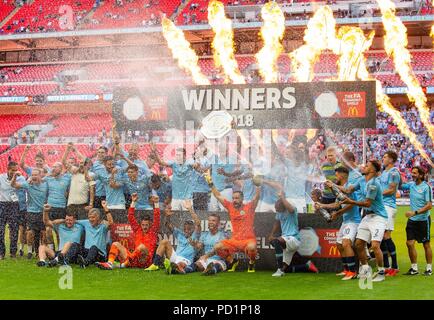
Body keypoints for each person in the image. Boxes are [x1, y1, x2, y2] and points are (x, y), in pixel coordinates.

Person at [204, 171, 261, 273]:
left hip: (248, 240)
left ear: (242, 199)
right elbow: (217, 195)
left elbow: (257, 197)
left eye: (237, 198)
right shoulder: (230, 206)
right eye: (233, 198)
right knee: (217, 247)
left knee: (252, 247)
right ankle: (233, 261)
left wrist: (258, 185)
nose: (234, 200)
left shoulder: (249, 207)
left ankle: (252, 263)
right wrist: (210, 183)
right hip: (234, 240)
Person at [342, 160, 388, 282]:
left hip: (378, 218)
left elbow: (367, 203)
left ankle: (381, 272)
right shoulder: (362, 180)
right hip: (367, 217)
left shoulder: (374, 184)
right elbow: (348, 190)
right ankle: (366, 269)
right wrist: (333, 185)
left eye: (367, 166)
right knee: (358, 244)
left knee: (375, 245)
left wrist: (351, 202)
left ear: (372, 170)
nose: (363, 167)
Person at [97, 193, 161, 270]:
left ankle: (126, 262)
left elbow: (157, 218)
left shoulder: (153, 231)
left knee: (141, 247)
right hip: (134, 259)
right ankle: (110, 263)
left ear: (150, 224)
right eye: (143, 225)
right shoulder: (137, 230)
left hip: (145, 261)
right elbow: (130, 216)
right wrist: (133, 202)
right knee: (115, 244)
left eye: (146, 225)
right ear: (140, 224)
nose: (144, 227)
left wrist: (156, 203)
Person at [319, 167, 360, 280]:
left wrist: (339, 213)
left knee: (346, 243)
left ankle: (352, 272)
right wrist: (321, 205)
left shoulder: (349, 186)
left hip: (353, 221)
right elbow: (336, 205)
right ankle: (346, 270)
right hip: (346, 221)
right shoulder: (339, 189)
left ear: (342, 175)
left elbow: (352, 204)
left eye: (336, 174)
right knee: (339, 245)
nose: (335, 177)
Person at [270, 189, 319, 277]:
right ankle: (307, 266)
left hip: (293, 239)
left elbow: (291, 210)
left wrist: (282, 197)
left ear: (283, 206)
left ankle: (279, 269)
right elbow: (276, 222)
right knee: (286, 269)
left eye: (278, 209)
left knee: (276, 241)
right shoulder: (279, 212)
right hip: (286, 241)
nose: (277, 211)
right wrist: (271, 234)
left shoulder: (291, 210)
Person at [145, 200, 201, 274]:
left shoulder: (195, 235)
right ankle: (155, 264)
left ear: (193, 229)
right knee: (164, 241)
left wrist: (190, 209)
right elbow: (168, 225)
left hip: (186, 260)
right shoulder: (180, 234)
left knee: (181, 264)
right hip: (175, 257)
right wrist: (167, 216)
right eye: (185, 229)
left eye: (189, 229)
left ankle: (173, 268)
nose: (186, 231)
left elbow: (198, 224)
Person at [401, 167, 432, 276]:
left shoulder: (426, 187)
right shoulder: (411, 185)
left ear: (421, 175)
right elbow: (400, 185)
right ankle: (414, 268)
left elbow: (429, 205)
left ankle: (429, 268)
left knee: (426, 244)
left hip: (423, 220)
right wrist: (395, 173)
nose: (412, 174)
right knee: (409, 243)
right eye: (412, 172)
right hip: (412, 220)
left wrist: (415, 212)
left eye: (414, 173)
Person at [11, 168, 48, 259]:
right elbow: (13, 185)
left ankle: (41, 251)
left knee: (43, 233)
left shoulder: (46, 184)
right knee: (30, 233)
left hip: (42, 212)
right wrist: (15, 176)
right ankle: (30, 251)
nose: (34, 176)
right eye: (33, 175)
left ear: (40, 175)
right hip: (31, 212)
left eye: (36, 175)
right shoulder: (28, 184)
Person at [150, 143, 198, 211]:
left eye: (179, 155)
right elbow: (161, 163)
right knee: (175, 219)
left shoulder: (189, 162)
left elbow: (195, 165)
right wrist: (155, 151)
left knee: (188, 219)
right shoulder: (174, 163)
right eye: (176, 155)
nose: (177, 157)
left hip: (187, 198)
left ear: (184, 155)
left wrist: (196, 165)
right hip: (175, 198)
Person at [380, 151, 401, 276]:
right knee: (382, 235)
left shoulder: (394, 172)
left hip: (388, 206)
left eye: (385, 157)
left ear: (392, 160)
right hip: (382, 206)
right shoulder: (384, 172)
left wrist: (378, 195)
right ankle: (387, 265)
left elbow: (392, 190)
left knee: (387, 235)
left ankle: (395, 266)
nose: (383, 158)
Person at [76, 201, 113, 268]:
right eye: (89, 217)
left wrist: (105, 208)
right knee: (75, 245)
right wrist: (62, 221)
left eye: (93, 217)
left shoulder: (103, 225)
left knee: (93, 247)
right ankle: (64, 261)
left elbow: (111, 223)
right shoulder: (86, 222)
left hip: (100, 254)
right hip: (88, 252)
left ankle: (85, 263)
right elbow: (72, 221)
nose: (90, 219)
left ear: (98, 217)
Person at [63, 144, 95, 220]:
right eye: (80, 163)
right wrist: (67, 150)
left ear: (88, 165)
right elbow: (64, 162)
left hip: (83, 205)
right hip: (71, 205)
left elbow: (92, 189)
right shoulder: (74, 171)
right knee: (70, 225)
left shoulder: (91, 174)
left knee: (82, 224)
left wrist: (91, 204)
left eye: (84, 163)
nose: (82, 165)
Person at [45, 162, 71, 250]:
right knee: (48, 230)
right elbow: (38, 180)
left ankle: (60, 251)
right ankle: (51, 251)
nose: (53, 168)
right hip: (50, 208)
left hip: (61, 208)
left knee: (59, 232)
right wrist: (29, 179)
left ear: (60, 168)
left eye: (55, 167)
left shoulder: (67, 177)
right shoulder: (48, 178)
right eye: (52, 167)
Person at [0, 162, 24, 259]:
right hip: (2, 204)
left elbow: (16, 186)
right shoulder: (1, 177)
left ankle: (13, 253)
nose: (14, 172)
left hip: (14, 205)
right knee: (0, 230)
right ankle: (1, 253)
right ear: (7, 169)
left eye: (16, 170)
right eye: (12, 170)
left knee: (14, 230)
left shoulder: (20, 178)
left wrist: (15, 176)